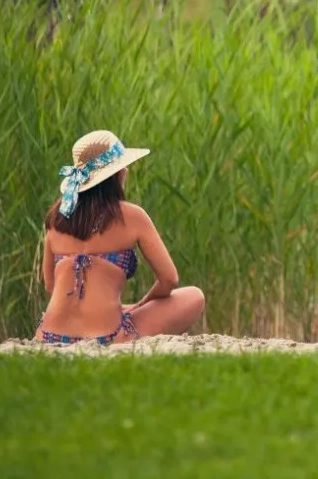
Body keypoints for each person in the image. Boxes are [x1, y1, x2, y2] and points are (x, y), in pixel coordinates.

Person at [34, 130, 205, 345]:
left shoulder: (57, 217)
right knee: (194, 296)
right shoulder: (132, 216)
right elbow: (169, 279)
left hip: (50, 335)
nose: (126, 170)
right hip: (107, 336)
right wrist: (142, 304)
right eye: (123, 167)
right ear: (116, 175)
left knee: (119, 308)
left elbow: (51, 286)